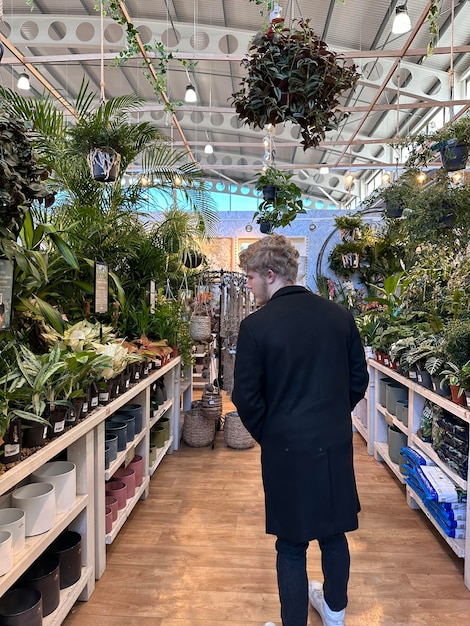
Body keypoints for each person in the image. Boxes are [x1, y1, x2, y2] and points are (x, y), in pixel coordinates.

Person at [232, 234, 369, 626]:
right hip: (333, 445)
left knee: (291, 545)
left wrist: (273, 434)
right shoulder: (339, 316)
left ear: (270, 275)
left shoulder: (256, 327)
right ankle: (335, 614)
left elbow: (246, 396)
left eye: (251, 277)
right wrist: (330, 419)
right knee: (334, 533)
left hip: (285, 451)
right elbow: (358, 378)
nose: (249, 284)